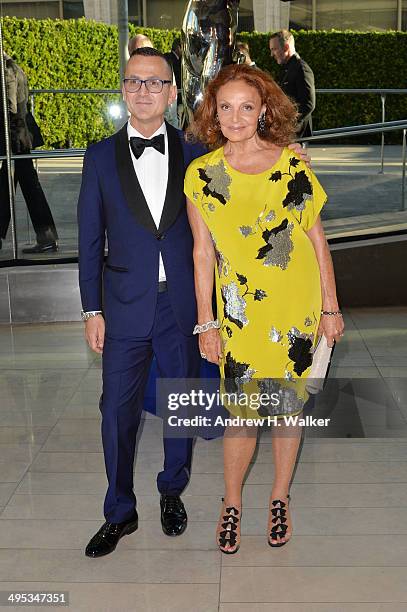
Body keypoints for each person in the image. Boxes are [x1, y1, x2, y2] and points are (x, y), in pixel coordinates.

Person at [184, 64, 344, 553]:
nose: (235, 116)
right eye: (226, 106)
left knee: (287, 410)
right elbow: (202, 254)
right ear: (214, 111)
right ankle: (231, 502)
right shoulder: (201, 175)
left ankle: (279, 497)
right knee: (242, 415)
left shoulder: (291, 165)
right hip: (240, 316)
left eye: (246, 107)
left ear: (263, 111)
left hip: (297, 308)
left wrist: (331, 308)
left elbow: (317, 242)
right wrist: (206, 321)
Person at [78, 47, 206, 558]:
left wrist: (294, 155)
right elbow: (89, 239)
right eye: (134, 82)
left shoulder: (197, 151)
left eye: (155, 83)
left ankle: (172, 490)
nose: (144, 91)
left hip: (183, 306)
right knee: (116, 413)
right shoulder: (99, 156)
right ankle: (119, 511)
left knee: (183, 406)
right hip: (123, 306)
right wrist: (92, 309)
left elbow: (249, 166)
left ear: (173, 93)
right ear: (124, 90)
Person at [0, 52, 58, 253]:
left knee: (15, 184)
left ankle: (47, 235)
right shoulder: (12, 66)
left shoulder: (6, 70)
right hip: (20, 133)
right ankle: (47, 235)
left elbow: (11, 106)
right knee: (23, 184)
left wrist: (15, 133)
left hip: (14, 134)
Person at [269, 30, 315, 138]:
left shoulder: (301, 69)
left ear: (285, 47)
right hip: (286, 132)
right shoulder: (286, 68)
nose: (271, 54)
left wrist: (288, 125)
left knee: (292, 156)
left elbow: (308, 104)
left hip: (295, 135)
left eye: (274, 49)